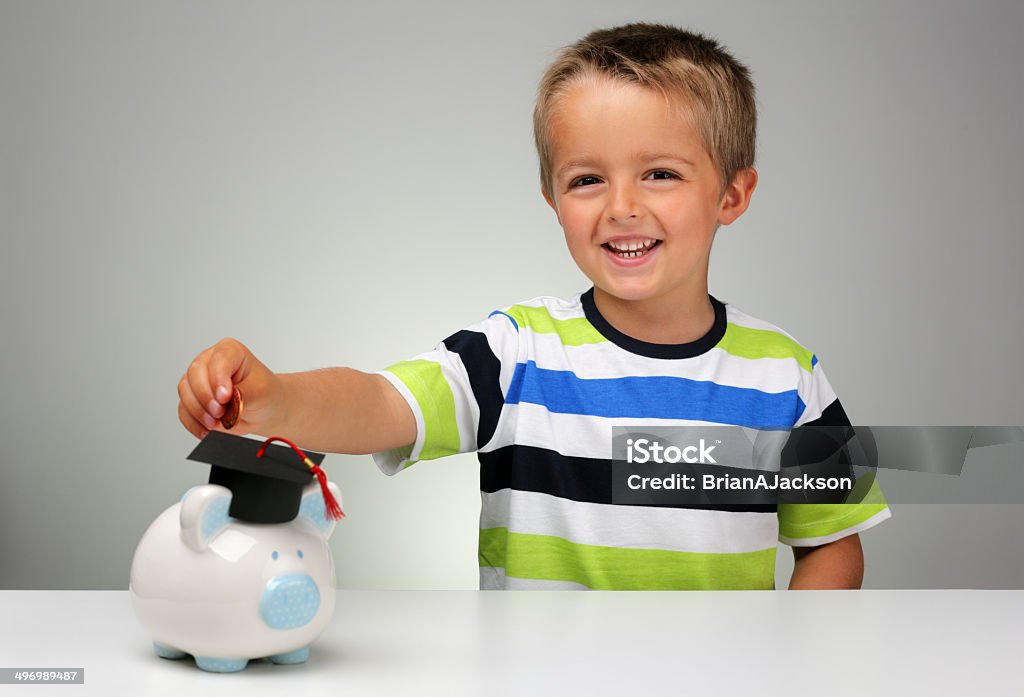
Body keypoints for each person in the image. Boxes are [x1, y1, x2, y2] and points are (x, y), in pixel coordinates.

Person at [177, 22, 890, 590]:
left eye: (661, 173)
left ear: (732, 194)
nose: (621, 207)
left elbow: (832, 548)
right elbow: (378, 402)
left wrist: (787, 661)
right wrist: (273, 400)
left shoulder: (789, 376)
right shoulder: (513, 351)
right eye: (586, 179)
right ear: (552, 198)